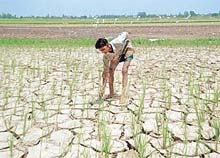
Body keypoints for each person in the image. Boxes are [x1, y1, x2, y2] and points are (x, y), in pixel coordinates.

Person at [95, 32, 134, 103]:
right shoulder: (106, 56)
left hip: (127, 49)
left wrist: (128, 33)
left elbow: (124, 34)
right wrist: (102, 88)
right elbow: (105, 73)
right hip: (117, 54)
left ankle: (123, 94)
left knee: (124, 70)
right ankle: (111, 93)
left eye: (103, 49)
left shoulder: (118, 41)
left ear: (107, 45)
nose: (103, 52)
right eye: (101, 51)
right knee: (110, 70)